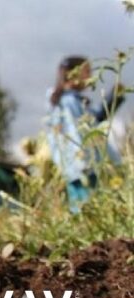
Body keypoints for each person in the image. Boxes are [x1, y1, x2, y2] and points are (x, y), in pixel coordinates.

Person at [46, 56, 125, 212]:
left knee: (92, 203)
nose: (90, 77)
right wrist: (81, 157)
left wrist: (113, 98)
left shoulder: (77, 101)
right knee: (85, 206)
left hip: (86, 161)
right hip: (80, 162)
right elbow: (79, 130)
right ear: (73, 74)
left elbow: (95, 118)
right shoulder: (65, 102)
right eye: (87, 71)